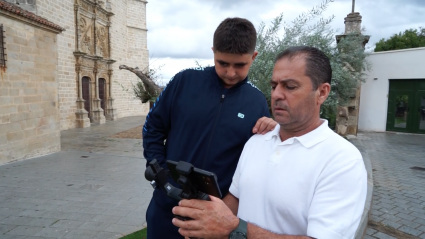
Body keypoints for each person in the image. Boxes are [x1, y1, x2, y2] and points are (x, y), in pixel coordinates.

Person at [172, 46, 368, 239]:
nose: (276, 95)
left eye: (290, 87)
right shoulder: (256, 141)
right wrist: (206, 223)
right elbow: (236, 198)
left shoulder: (343, 160)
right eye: (274, 86)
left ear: (322, 92)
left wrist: (235, 228)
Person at [142, 17, 277, 239]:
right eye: (222, 63)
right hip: (167, 210)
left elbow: (258, 159)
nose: (230, 72)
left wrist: (273, 130)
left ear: (253, 57)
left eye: (240, 65)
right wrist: (160, 174)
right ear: (213, 51)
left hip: (215, 220)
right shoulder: (183, 81)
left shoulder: (257, 102)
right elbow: (152, 128)